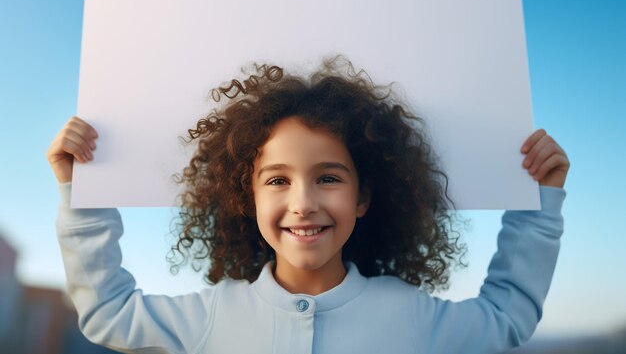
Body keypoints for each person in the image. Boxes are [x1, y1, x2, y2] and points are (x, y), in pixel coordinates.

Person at [48, 57, 569, 354]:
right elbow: (108, 313)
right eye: (276, 179)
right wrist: (82, 195)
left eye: (328, 178)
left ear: (362, 197)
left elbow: (505, 319)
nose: (303, 202)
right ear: (245, 197)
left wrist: (540, 201)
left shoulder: (408, 315)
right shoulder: (213, 315)